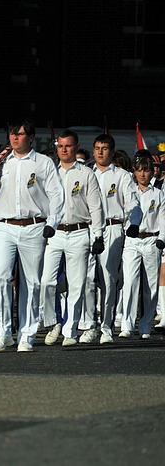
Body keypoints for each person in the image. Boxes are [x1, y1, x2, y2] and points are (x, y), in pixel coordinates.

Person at [0, 119, 65, 353]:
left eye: (20, 134)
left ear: (30, 137)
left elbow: (56, 194)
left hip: (34, 225)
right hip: (4, 225)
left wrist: (52, 222)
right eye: (12, 134)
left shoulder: (42, 162)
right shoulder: (1, 162)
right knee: (1, 277)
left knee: (31, 283)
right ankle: (3, 332)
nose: (15, 138)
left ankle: (27, 334)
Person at [39, 130, 105, 347]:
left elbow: (95, 206)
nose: (64, 150)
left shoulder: (86, 173)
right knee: (47, 281)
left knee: (76, 284)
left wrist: (98, 235)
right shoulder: (50, 172)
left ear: (76, 147)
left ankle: (70, 329)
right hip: (55, 232)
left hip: (79, 232)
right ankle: (53, 322)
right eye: (60, 146)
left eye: (68, 146)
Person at [81, 134, 141, 344]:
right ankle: (89, 326)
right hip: (87, 229)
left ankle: (106, 327)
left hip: (112, 228)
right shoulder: (86, 173)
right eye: (97, 147)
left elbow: (133, 203)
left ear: (112, 151)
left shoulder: (122, 176)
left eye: (104, 148)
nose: (99, 152)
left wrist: (133, 223)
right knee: (87, 278)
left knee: (108, 279)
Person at [118, 154, 165, 339]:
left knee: (151, 286)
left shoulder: (158, 193)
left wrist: (162, 237)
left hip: (152, 240)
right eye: (139, 170)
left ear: (151, 171)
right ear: (134, 172)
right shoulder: (129, 191)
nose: (142, 174)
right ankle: (127, 324)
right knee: (129, 281)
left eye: (146, 170)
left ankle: (145, 325)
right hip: (132, 240)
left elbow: (163, 219)